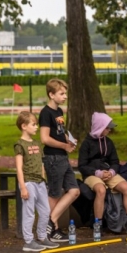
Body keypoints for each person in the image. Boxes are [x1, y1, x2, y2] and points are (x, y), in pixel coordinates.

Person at [78, 112, 127, 234]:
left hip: (108, 172)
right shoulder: (86, 144)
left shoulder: (109, 142)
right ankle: (97, 224)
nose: (109, 130)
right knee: (101, 190)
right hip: (92, 175)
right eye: (107, 128)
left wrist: (112, 171)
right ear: (100, 127)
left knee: (126, 187)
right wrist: (97, 173)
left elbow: (115, 161)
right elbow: (82, 166)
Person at [39, 78, 80, 242]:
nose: (65, 97)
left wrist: (68, 141)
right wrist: (63, 146)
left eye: (65, 93)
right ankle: (50, 229)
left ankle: (50, 222)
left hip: (63, 157)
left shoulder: (59, 112)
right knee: (54, 194)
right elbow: (44, 138)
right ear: (51, 94)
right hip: (53, 158)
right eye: (61, 94)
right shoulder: (46, 113)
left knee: (74, 190)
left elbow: (60, 132)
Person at [14, 111, 59, 252]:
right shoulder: (19, 144)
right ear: (24, 126)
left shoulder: (37, 144)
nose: (36, 127)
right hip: (28, 183)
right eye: (33, 124)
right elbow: (19, 168)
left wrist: (43, 179)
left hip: (40, 183)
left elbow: (41, 164)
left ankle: (42, 237)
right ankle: (28, 241)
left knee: (45, 211)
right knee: (29, 213)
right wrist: (23, 187)